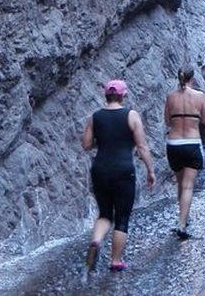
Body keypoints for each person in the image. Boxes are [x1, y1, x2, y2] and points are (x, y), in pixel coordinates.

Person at [82, 79, 155, 272]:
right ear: (123, 96)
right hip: (123, 170)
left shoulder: (94, 117)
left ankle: (96, 242)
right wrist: (150, 170)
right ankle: (115, 260)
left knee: (105, 214)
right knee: (122, 217)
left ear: (106, 95)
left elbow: (86, 145)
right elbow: (141, 147)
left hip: (100, 169)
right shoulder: (131, 116)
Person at [163, 66, 205, 239]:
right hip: (192, 142)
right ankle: (182, 224)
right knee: (188, 185)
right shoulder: (199, 96)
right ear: (193, 78)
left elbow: (167, 121)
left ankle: (182, 217)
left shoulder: (170, 97)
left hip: (174, 144)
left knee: (180, 183)